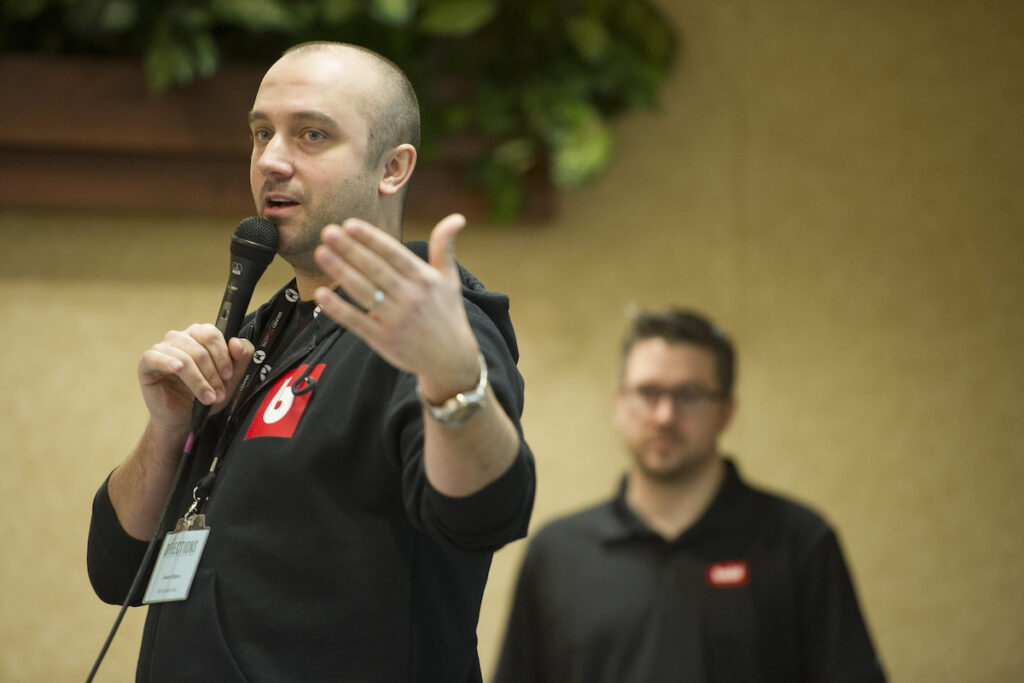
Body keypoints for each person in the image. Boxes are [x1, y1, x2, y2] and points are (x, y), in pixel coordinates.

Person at [86, 42, 535, 682]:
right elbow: (116, 571)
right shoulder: (261, 333)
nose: (271, 160)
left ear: (393, 167)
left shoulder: (431, 329)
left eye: (311, 135)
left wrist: (454, 383)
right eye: (261, 133)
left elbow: (485, 514)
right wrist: (167, 429)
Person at [494, 308, 884, 682]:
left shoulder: (800, 542)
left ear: (726, 411)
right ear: (619, 403)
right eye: (647, 392)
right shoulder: (558, 552)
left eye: (690, 394)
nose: (665, 415)